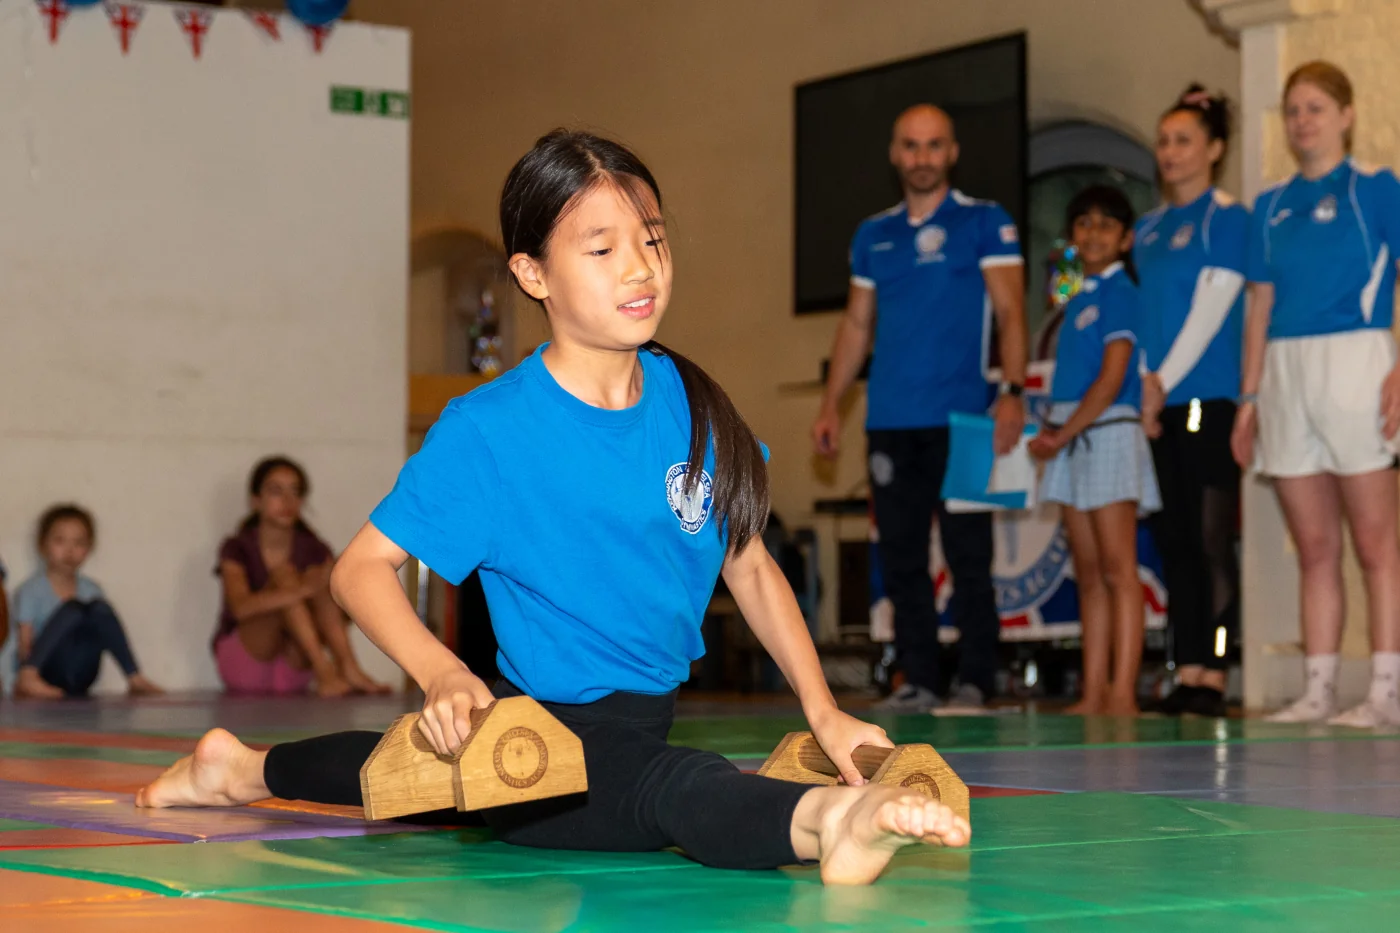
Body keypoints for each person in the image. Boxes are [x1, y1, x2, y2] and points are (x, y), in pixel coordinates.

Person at [136, 130, 970, 885]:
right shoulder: (491, 430)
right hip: (538, 732)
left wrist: (824, 711)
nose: (640, 268)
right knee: (667, 788)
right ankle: (827, 822)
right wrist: (443, 672)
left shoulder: (694, 406)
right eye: (602, 248)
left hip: (640, 717)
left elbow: (750, 567)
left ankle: (236, 769)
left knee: (439, 781)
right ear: (533, 273)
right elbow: (359, 571)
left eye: (652, 240)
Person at [811, 104, 1028, 712]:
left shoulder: (985, 221)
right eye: (911, 145)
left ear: (952, 152)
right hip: (890, 422)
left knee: (970, 555)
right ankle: (920, 679)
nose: (922, 157)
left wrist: (1013, 392)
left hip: (969, 419)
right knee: (902, 557)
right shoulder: (872, 235)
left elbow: (1012, 311)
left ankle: (976, 679)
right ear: (894, 154)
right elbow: (857, 325)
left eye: (934, 145)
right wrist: (831, 405)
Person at [1234, 62, 1400, 727]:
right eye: (1294, 109)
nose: (1303, 121)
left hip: (1357, 360)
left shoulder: (1375, 189)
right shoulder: (1270, 206)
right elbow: (1258, 305)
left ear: (1346, 115)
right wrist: (1249, 399)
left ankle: (1386, 691)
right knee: (1314, 545)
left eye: (1316, 108)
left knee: (1375, 542)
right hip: (1284, 372)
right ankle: (1318, 689)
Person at [1137, 85, 1248, 718]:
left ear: (1214, 149)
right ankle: (1187, 666)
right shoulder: (1148, 229)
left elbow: (1212, 308)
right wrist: (1147, 385)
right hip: (1160, 405)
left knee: (1210, 539)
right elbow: (1145, 316)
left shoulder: (1226, 217)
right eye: (1164, 141)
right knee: (1175, 539)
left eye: (1184, 140)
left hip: (1206, 396)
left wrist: (1161, 382)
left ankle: (1216, 670)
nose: (1171, 152)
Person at [1030, 186, 1160, 716]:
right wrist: (1055, 431)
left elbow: (1111, 378)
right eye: (1083, 223)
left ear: (1126, 239)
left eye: (1106, 225)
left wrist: (1063, 433)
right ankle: (1094, 692)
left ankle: (1123, 692)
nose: (1093, 233)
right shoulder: (1077, 295)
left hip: (1105, 431)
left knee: (1117, 568)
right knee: (1087, 571)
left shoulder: (1120, 291)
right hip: (1072, 433)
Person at [214, 456, 390, 697]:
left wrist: (318, 585)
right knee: (285, 577)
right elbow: (240, 608)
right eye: (276, 491)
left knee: (319, 580)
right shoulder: (237, 547)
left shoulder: (314, 548)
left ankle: (348, 667)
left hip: (294, 666)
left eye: (295, 492)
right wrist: (301, 589)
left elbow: (340, 609)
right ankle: (325, 672)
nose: (288, 501)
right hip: (246, 664)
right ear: (256, 500)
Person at [10, 505, 163, 698]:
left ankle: (134, 676)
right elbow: (24, 644)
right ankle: (28, 675)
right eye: (60, 541)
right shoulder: (31, 590)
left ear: (89, 548)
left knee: (100, 608)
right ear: (43, 545)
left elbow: (104, 632)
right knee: (73, 608)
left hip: (81, 672)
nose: (70, 551)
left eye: (79, 543)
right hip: (47, 672)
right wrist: (26, 666)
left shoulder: (91, 590)